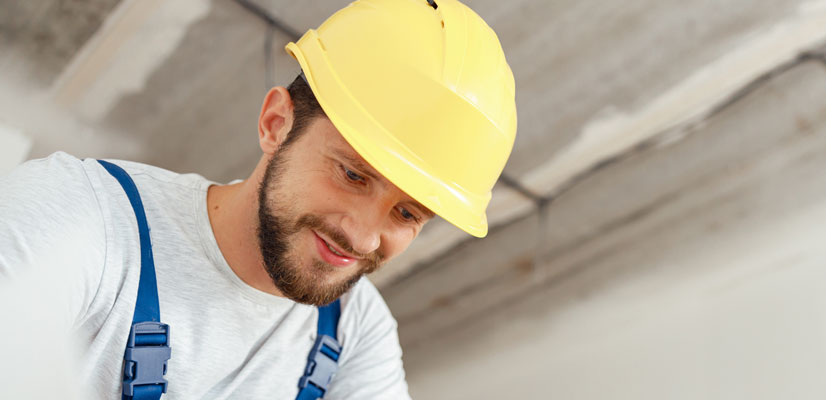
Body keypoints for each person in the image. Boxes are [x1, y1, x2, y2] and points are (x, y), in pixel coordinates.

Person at [0, 0, 517, 398]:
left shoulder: (352, 329)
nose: (361, 235)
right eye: (353, 175)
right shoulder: (80, 217)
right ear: (276, 124)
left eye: (407, 213)